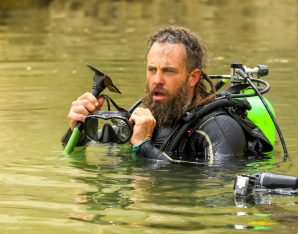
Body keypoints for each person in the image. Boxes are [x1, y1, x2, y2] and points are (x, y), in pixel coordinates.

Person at [62, 26, 272, 163]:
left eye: (168, 71)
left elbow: (216, 191)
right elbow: (90, 151)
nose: (157, 80)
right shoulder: (148, 115)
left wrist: (143, 146)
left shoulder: (219, 129)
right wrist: (79, 128)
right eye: (152, 69)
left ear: (193, 77)